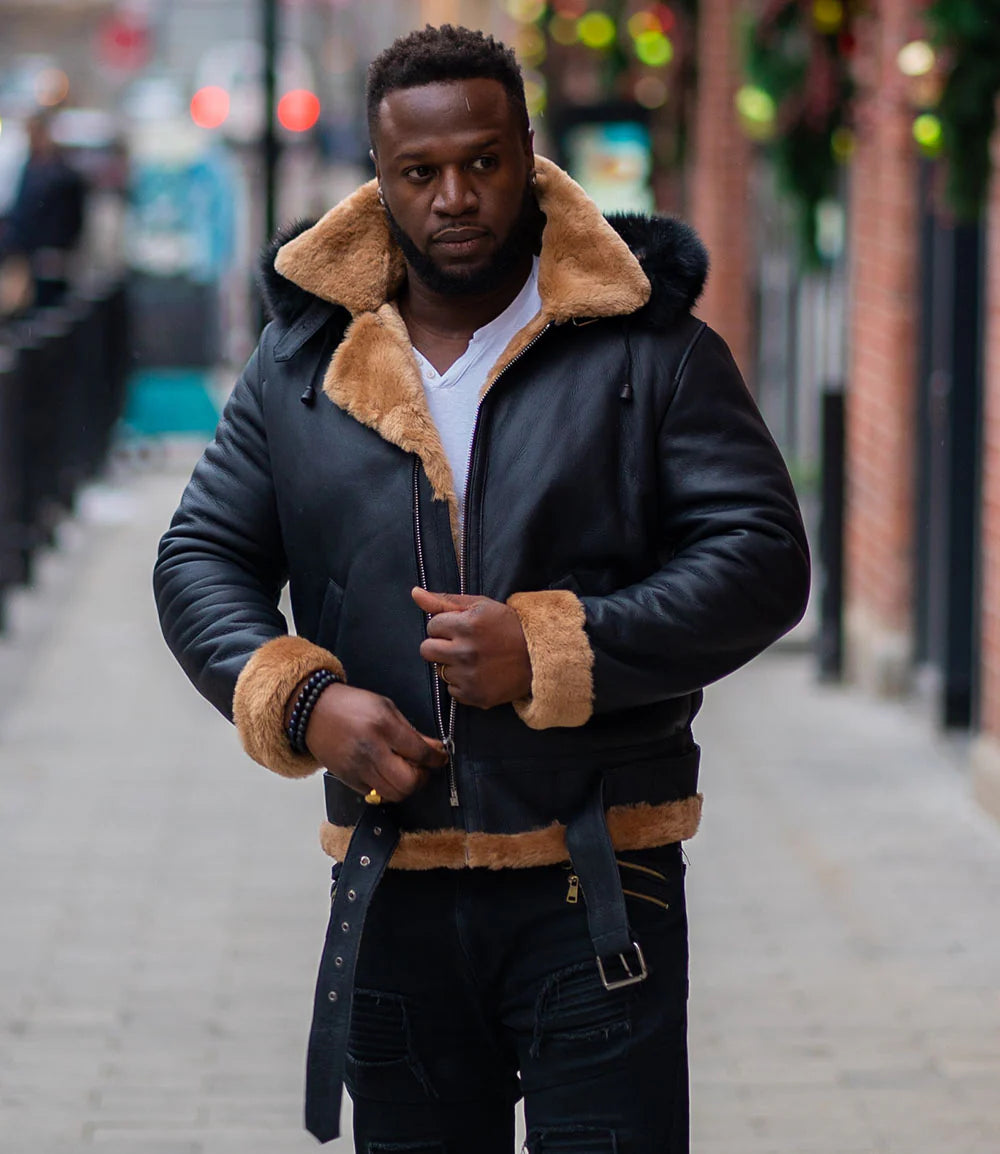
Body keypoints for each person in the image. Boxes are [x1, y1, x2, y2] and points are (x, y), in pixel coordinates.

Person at [154, 24, 810, 1154]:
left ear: (525, 152)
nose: (456, 195)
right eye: (421, 172)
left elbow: (760, 557)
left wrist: (558, 646)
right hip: (391, 885)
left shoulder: (646, 344)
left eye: (483, 161)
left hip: (599, 886)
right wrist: (306, 704)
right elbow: (199, 556)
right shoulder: (301, 362)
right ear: (380, 175)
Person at [0, 113, 85, 310]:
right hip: (27, 249)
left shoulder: (60, 174)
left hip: (50, 252)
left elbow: (69, 217)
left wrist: (61, 248)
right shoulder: (30, 168)